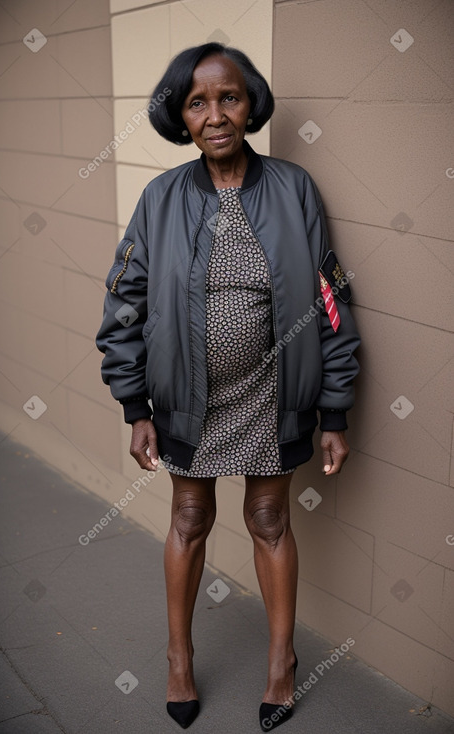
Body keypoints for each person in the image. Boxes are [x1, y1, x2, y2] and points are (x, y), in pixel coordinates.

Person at [95, 42, 360, 731]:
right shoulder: (160, 199)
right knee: (189, 519)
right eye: (197, 101)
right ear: (180, 116)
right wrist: (134, 405)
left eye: (229, 97)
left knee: (269, 521)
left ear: (251, 105)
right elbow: (124, 302)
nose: (215, 114)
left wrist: (334, 407)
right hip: (189, 403)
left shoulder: (294, 188)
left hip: (272, 398)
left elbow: (330, 301)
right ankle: (178, 658)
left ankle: (281, 663)